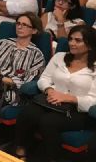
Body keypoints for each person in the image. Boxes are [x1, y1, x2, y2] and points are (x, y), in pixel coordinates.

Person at [14, 25, 96, 160]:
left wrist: (69, 98)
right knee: (28, 113)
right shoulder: (60, 57)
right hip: (50, 102)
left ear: (90, 45)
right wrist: (49, 90)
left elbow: (94, 99)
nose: (72, 43)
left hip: (78, 111)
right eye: (70, 39)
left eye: (78, 40)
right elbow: (44, 79)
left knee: (48, 122)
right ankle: (20, 150)